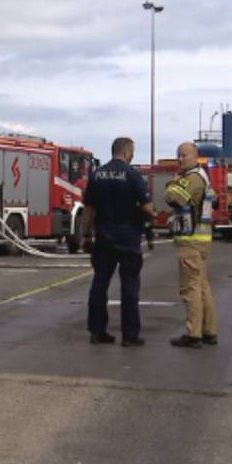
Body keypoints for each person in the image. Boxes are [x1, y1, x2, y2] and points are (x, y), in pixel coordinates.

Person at [81, 137, 156, 347]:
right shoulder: (133, 176)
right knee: (129, 286)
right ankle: (130, 335)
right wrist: (153, 218)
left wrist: (85, 235)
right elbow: (148, 208)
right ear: (127, 152)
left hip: (103, 236)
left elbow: (89, 210)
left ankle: (97, 331)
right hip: (128, 237)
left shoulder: (97, 175)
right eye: (132, 151)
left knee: (99, 283)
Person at [165, 141, 218, 349]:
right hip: (201, 240)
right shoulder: (201, 176)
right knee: (203, 287)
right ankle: (209, 331)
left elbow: (175, 198)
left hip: (191, 241)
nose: (180, 159)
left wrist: (172, 184)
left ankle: (193, 334)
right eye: (178, 155)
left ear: (195, 156)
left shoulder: (193, 178)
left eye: (184, 155)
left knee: (191, 288)